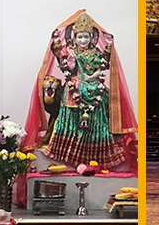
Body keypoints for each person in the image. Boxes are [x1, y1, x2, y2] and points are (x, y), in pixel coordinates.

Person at [25, 9, 138, 169]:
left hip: (95, 89)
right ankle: (67, 154)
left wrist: (109, 46)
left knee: (99, 118)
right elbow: (60, 56)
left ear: (92, 38)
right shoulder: (69, 52)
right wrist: (57, 40)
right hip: (74, 89)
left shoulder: (96, 52)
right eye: (80, 36)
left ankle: (98, 155)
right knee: (71, 119)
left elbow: (104, 63)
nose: (83, 40)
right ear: (74, 37)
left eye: (86, 36)